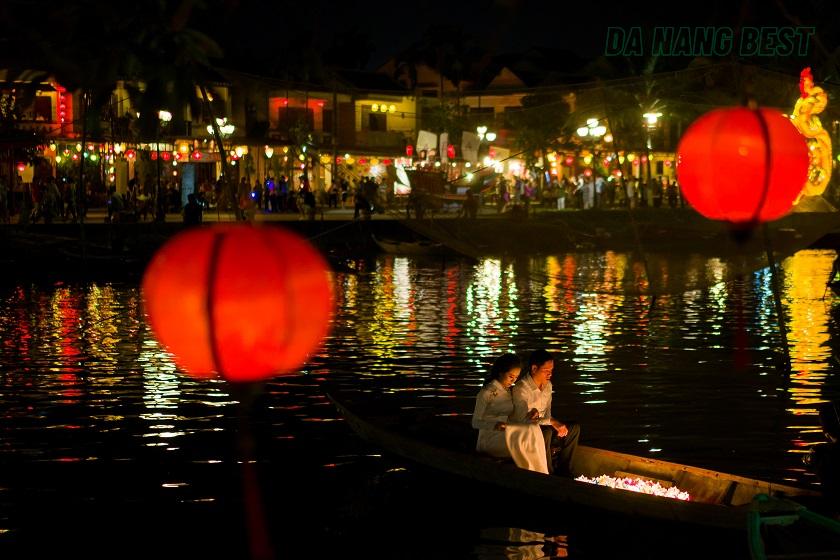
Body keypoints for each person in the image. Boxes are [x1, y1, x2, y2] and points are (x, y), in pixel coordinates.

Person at [472, 353, 549, 474]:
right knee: (526, 439)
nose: (513, 381)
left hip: (505, 431)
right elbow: (475, 422)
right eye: (510, 376)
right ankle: (534, 473)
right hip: (489, 439)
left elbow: (513, 416)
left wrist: (530, 414)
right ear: (501, 372)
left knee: (533, 428)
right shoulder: (486, 392)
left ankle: (541, 472)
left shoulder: (508, 391)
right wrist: (495, 425)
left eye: (516, 377)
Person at [512, 349, 580, 476]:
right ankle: (548, 473)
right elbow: (522, 420)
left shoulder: (548, 385)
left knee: (573, 429)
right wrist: (551, 421)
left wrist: (554, 423)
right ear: (534, 368)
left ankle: (565, 470)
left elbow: (547, 413)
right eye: (546, 370)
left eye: (551, 370)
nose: (550, 374)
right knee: (546, 432)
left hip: (545, 427)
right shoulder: (521, 389)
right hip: (527, 432)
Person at [805, 401, 840, 510]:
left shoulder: (820, 452)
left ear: (827, 434)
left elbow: (808, 462)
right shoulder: (822, 450)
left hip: (833, 504)